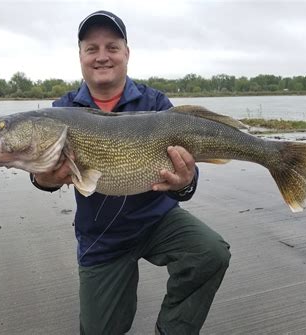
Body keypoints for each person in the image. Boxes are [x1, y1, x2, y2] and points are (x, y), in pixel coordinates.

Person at [30, 10, 231, 335]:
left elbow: (187, 182)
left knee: (210, 252)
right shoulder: (61, 112)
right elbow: (40, 172)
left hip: (158, 221)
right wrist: (43, 178)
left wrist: (185, 182)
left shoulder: (155, 103)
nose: (102, 56)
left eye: (112, 46)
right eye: (91, 48)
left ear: (126, 52)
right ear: (80, 56)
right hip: (102, 237)